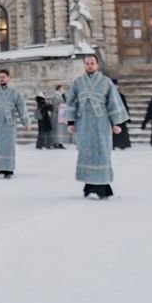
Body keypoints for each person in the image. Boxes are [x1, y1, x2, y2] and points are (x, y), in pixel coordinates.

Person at [62, 52, 126, 200]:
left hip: (101, 124)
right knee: (87, 153)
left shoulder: (106, 82)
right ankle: (89, 185)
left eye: (92, 63)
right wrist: (71, 122)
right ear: (84, 65)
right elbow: (72, 102)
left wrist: (116, 123)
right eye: (87, 63)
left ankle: (103, 187)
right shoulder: (77, 82)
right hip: (84, 124)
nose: (89, 66)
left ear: (97, 65)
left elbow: (113, 102)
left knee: (102, 153)